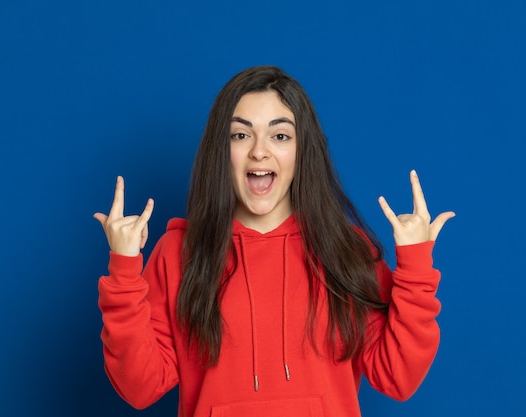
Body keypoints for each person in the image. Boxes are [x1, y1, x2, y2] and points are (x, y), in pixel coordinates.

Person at [94, 65, 455, 417]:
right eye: (241, 135)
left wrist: (416, 268)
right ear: (222, 150)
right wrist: (124, 273)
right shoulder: (178, 253)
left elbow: (398, 377)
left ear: (302, 151)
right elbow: (140, 388)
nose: (259, 151)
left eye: (279, 135)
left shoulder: (347, 251)